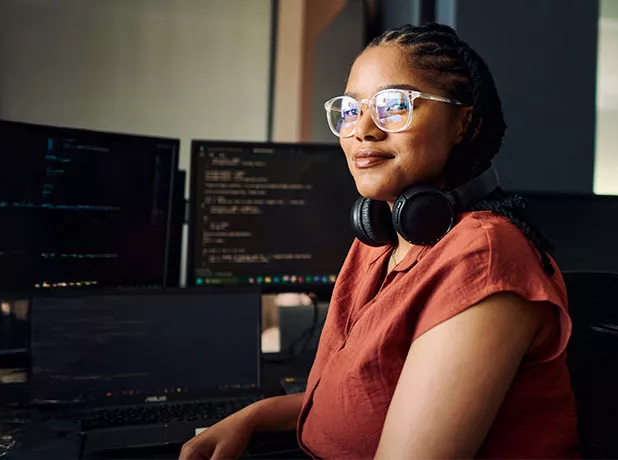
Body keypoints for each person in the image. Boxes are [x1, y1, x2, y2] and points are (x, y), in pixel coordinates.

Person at [180, 23, 579, 459]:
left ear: (463, 123)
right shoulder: (382, 238)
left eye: (395, 105)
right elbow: (362, 402)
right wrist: (257, 414)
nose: (362, 129)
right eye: (350, 109)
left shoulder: (483, 259)